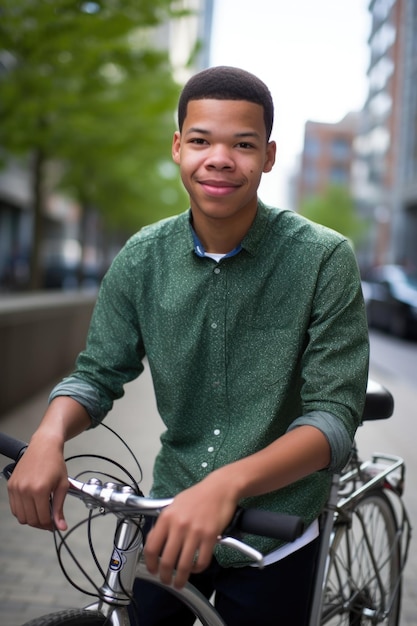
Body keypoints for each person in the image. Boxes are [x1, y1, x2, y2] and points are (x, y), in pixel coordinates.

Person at [8, 66, 369, 625]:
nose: (220, 158)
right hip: (170, 511)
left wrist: (227, 484)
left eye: (243, 144)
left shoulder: (323, 259)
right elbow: (98, 373)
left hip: (280, 528)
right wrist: (47, 435)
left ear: (268, 156)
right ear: (178, 147)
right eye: (201, 140)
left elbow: (333, 418)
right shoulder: (140, 258)